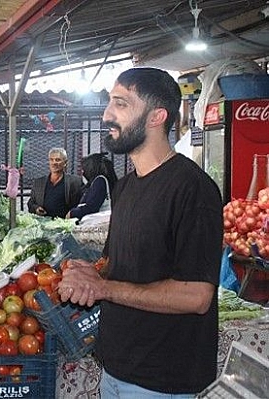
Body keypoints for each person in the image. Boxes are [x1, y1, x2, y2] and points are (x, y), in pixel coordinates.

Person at [58, 68, 223, 397]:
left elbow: (195, 297)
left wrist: (102, 287)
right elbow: (118, 263)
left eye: (121, 104)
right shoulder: (127, 187)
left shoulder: (193, 189)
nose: (107, 115)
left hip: (161, 381)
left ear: (156, 116)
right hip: (116, 369)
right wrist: (88, 272)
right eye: (109, 103)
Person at [27, 147, 83, 218]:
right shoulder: (39, 182)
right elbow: (31, 203)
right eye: (51, 160)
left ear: (65, 163)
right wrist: (36, 208)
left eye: (58, 160)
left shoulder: (75, 182)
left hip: (66, 223)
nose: (54, 163)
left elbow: (81, 203)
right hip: (43, 223)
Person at [66, 152, 118, 221]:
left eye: (84, 169)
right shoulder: (106, 181)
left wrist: (73, 213)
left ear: (91, 168)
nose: (83, 172)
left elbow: (91, 207)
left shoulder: (99, 181)